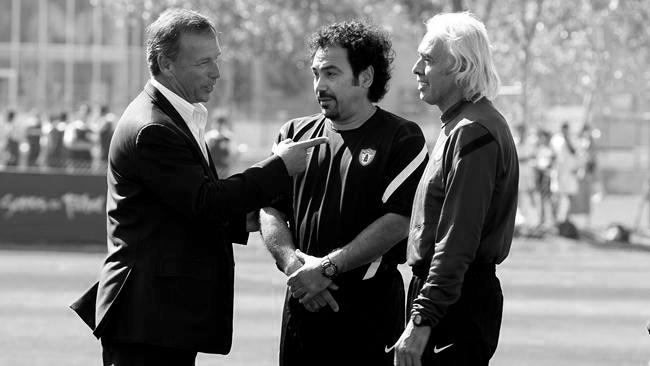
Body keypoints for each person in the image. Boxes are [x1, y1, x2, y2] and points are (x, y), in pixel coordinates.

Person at [69, 8, 326, 366]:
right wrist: (279, 167)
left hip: (159, 317)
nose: (216, 72)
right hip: (148, 318)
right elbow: (206, 201)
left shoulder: (177, 114)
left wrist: (253, 218)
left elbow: (184, 207)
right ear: (166, 63)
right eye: (203, 62)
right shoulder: (153, 128)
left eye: (216, 59)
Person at [259, 21, 428, 366]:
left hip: (369, 310)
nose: (319, 85)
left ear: (365, 78)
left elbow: (398, 220)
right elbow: (269, 210)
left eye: (332, 73)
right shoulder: (293, 134)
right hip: (302, 303)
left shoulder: (403, 137)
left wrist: (327, 268)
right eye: (316, 73)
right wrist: (296, 266)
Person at [393, 12, 518, 366]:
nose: (417, 68)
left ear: (461, 68)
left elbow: (457, 236)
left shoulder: (472, 130)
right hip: (450, 296)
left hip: (454, 302)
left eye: (428, 59)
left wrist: (422, 318)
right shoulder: (462, 125)